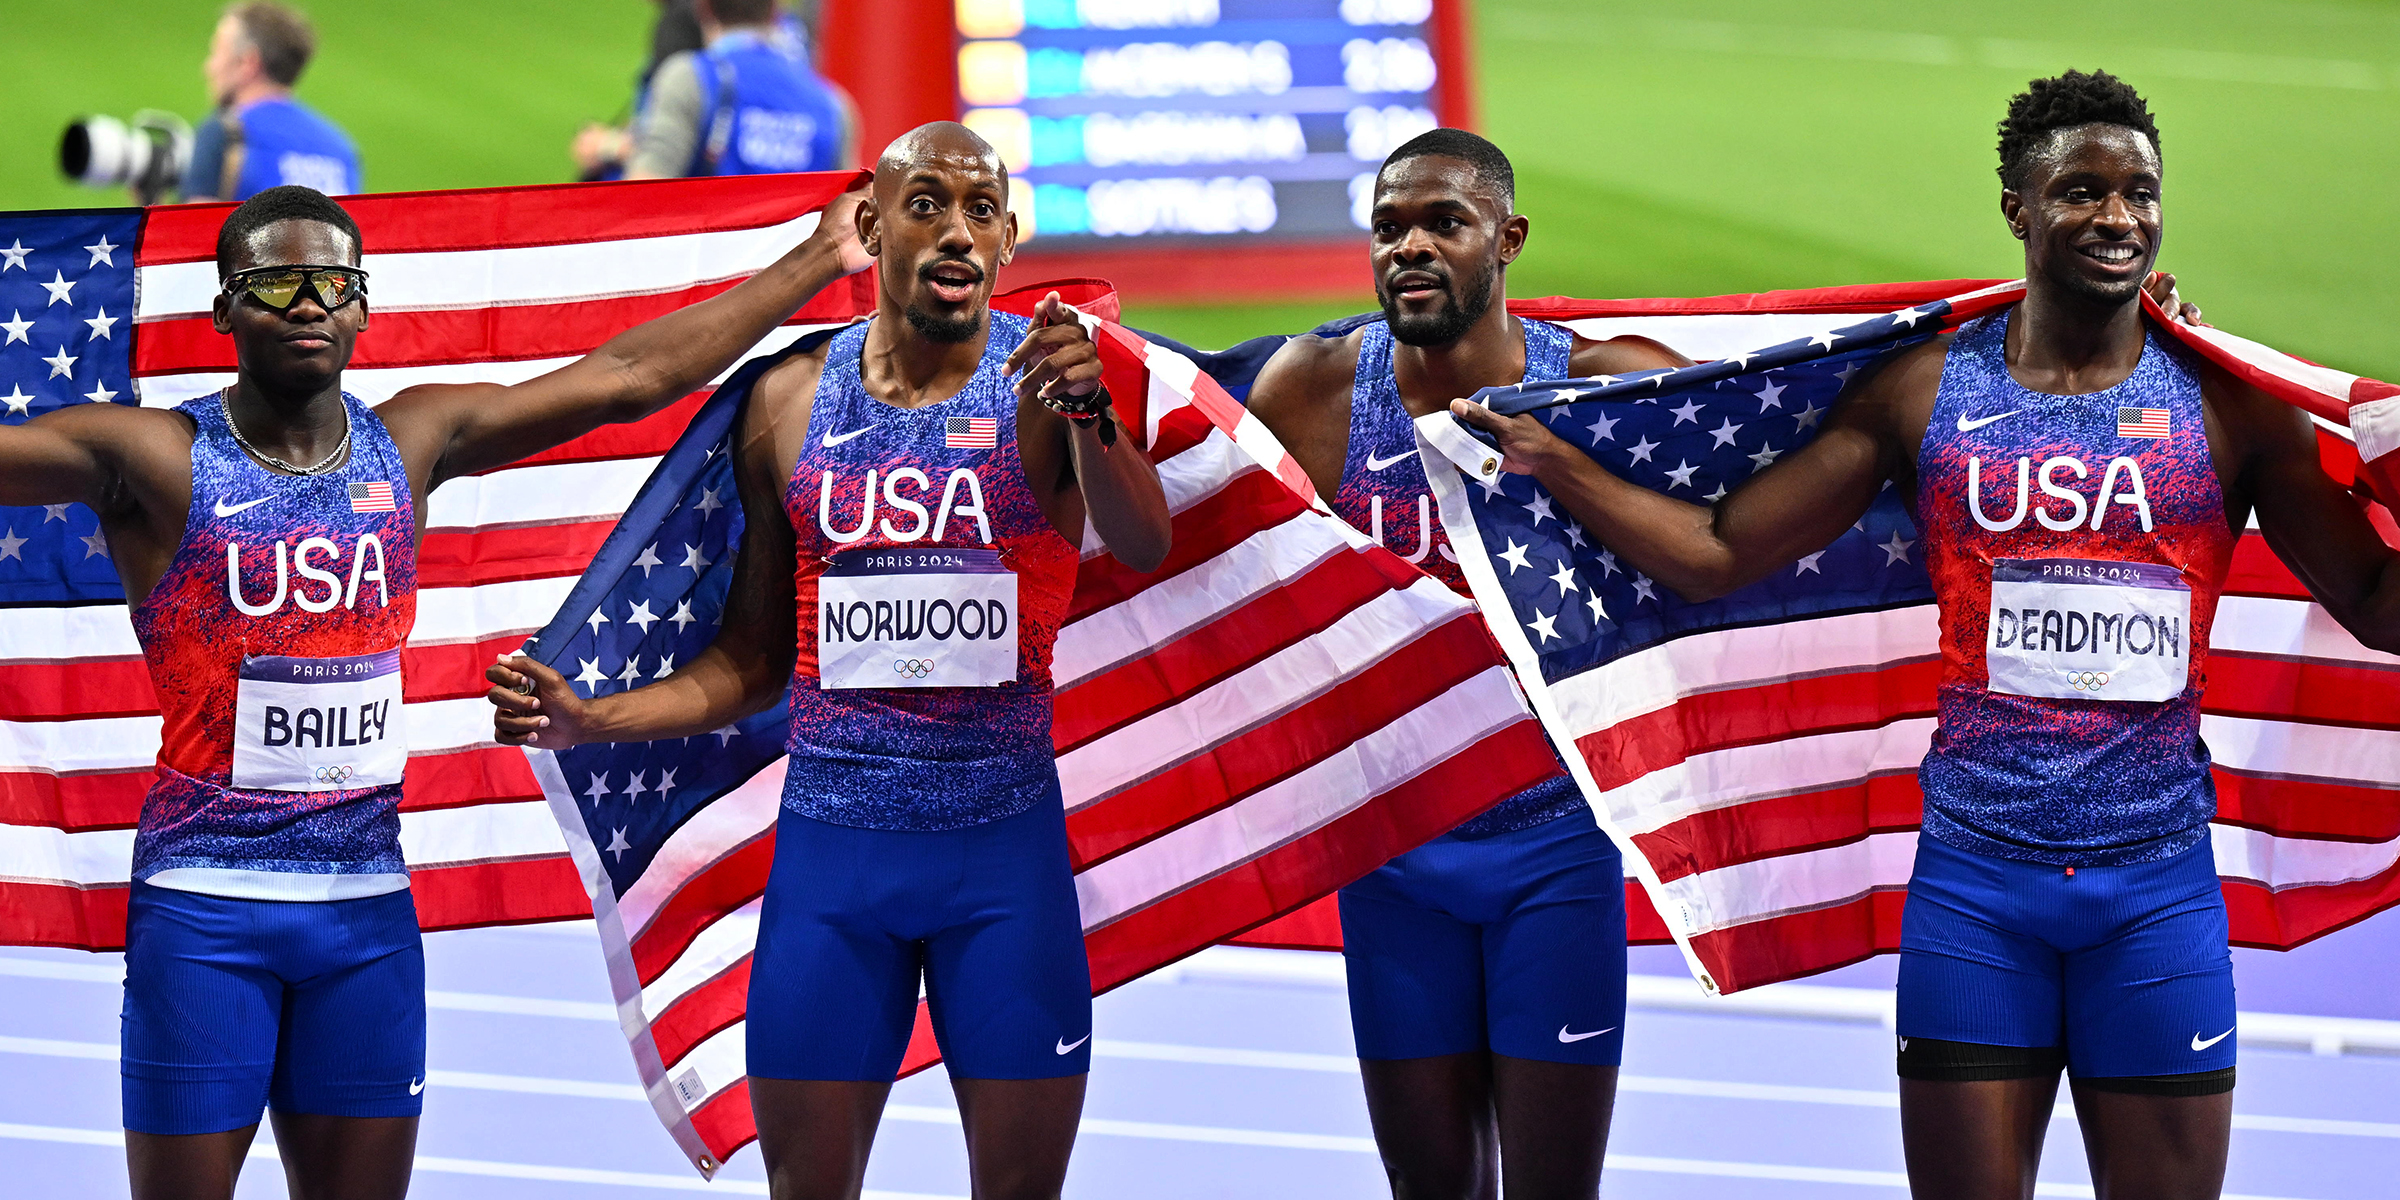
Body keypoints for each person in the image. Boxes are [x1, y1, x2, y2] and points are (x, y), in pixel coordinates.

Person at [1448, 70, 2398, 1199]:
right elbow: (1715, 549)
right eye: (2081, 190)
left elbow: (2377, 604)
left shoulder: (2230, 405)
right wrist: (1554, 459)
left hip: (2157, 895)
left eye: (2140, 193)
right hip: (1976, 894)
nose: (2116, 217)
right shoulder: (1924, 391)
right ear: (2018, 208)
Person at [0, 180, 871, 1200]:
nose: (308, 304)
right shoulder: (149, 456)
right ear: (225, 308)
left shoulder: (411, 441)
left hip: (365, 918)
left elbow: (630, 377)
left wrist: (817, 263)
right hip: (204, 912)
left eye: (332, 282)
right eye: (277, 284)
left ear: (364, 307)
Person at [484, 122, 1172, 1200]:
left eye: (982, 211)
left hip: (1006, 873)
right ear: (869, 225)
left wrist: (1092, 412)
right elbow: (754, 661)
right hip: (830, 873)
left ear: (1005, 247)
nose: (957, 229)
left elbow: (1143, 541)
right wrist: (593, 722)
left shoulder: (1052, 384)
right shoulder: (788, 401)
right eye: (928, 202)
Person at [1241, 128, 1686, 1199]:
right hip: (1391, 854)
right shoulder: (1318, 387)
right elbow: (1216, 551)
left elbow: (1812, 424)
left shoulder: (1596, 391)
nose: (1412, 248)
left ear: (1508, 239)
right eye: (1390, 228)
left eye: (1445, 223)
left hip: (1552, 854)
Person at [616, 0, 857, 180]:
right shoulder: (833, 104)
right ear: (775, 13)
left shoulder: (690, 78)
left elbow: (645, 190)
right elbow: (849, 221)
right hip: (798, 248)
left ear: (703, 9)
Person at [182, 3, 361, 203]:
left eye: (216, 52)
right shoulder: (341, 147)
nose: (209, 68)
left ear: (247, 63)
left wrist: (151, 194)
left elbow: (194, 230)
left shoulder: (224, 132)